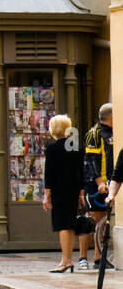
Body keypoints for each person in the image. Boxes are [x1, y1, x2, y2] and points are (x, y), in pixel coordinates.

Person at [43, 114, 86, 273]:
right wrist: (81, 193)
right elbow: (80, 172)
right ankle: (69, 260)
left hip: (59, 191)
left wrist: (46, 195)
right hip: (73, 191)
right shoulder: (75, 147)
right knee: (70, 225)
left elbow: (49, 174)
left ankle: (65, 261)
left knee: (62, 226)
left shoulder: (52, 149)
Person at [83, 104, 114, 271]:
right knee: (97, 219)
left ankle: (99, 257)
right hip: (96, 184)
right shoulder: (94, 133)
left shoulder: (115, 131)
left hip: (111, 182)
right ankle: (92, 256)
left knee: (104, 220)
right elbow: (90, 160)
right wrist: (99, 182)